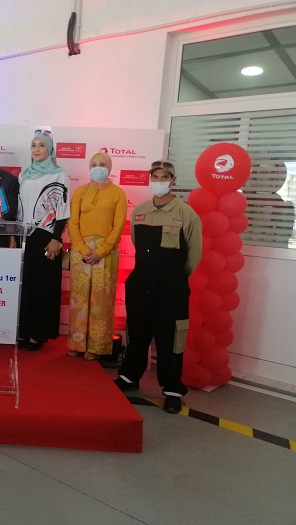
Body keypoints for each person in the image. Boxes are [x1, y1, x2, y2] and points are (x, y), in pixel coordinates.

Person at [114, 160, 202, 414]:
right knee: (138, 332)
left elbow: (193, 255)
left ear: (173, 180)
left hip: (172, 287)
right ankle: (129, 377)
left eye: (165, 177)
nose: (159, 181)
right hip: (141, 282)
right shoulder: (140, 212)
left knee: (170, 338)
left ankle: (172, 390)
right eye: (155, 176)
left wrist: (173, 277)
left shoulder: (186, 214)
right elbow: (136, 243)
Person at [67, 152, 127, 360]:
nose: (98, 168)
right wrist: (83, 249)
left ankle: (96, 346)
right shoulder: (80, 192)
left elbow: (119, 226)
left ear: (109, 168)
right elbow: (72, 223)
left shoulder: (118, 193)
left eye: (102, 164)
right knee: (79, 298)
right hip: (81, 251)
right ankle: (77, 342)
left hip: (106, 252)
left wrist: (101, 250)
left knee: (101, 299)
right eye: (94, 164)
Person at [17, 132, 70, 350]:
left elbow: (63, 210)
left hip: (46, 236)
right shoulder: (23, 175)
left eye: (41, 145)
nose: (37, 149)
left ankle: (38, 334)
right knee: (25, 285)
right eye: (33, 145)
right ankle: (23, 331)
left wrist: (57, 238)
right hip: (24, 235)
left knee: (43, 286)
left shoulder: (59, 174)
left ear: (50, 149)